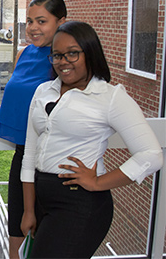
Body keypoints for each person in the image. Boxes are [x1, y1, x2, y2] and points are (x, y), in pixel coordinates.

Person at [20, 21, 163, 258]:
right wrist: (28, 210)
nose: (63, 61)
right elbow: (30, 154)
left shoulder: (110, 97)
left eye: (72, 53)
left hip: (79, 205)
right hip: (41, 200)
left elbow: (151, 155)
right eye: (57, 55)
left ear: (90, 52)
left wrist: (98, 182)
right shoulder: (43, 91)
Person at [0, 0, 67, 258]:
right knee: (16, 241)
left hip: (54, 164)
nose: (32, 28)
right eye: (29, 21)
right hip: (23, 156)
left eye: (42, 21)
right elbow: (11, 105)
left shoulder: (65, 59)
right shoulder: (24, 53)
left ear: (61, 22)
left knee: (47, 244)